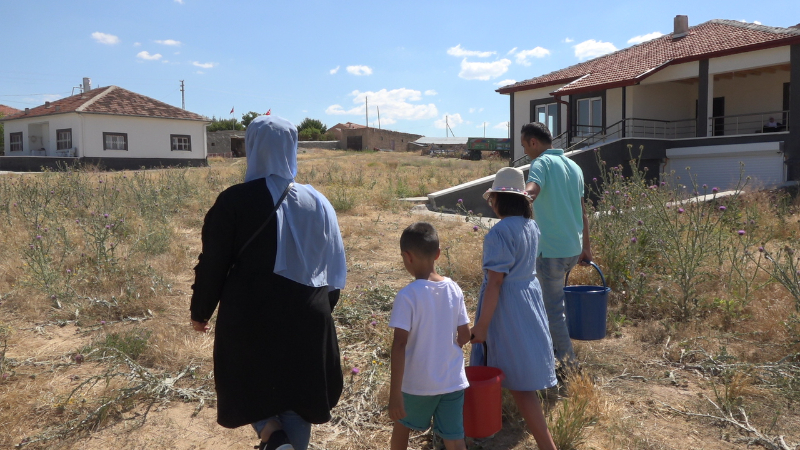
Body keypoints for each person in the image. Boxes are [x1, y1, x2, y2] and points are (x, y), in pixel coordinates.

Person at [190, 115, 347, 450]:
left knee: (250, 385)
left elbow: (213, 262)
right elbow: (335, 268)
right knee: (298, 397)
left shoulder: (233, 200)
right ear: (293, 148)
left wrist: (201, 311)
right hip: (310, 314)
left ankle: (271, 435)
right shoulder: (319, 202)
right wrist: (316, 308)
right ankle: (287, 443)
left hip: (251, 314)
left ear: (253, 147)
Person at [470, 167, 557, 450]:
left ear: (498, 200)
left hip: (507, 306)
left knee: (519, 383)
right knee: (512, 372)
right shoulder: (531, 226)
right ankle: (484, 429)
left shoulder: (499, 233)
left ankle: (545, 444)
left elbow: (495, 283)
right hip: (528, 299)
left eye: (493, 198)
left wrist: (481, 325)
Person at [388, 222, 471, 450]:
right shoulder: (454, 288)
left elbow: (399, 345)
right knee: (454, 437)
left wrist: (395, 393)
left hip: (418, 384)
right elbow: (465, 334)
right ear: (437, 253)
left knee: (402, 426)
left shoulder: (407, 296)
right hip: (452, 381)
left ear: (407, 257)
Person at [522, 122, 593, 369]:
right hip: (572, 248)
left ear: (533, 142)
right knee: (550, 304)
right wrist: (586, 247)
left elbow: (533, 189)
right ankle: (549, 351)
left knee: (553, 310)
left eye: (524, 145)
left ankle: (568, 365)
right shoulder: (574, 166)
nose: (525, 151)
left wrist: (518, 199)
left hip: (550, 250)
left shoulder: (540, 163)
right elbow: (583, 211)